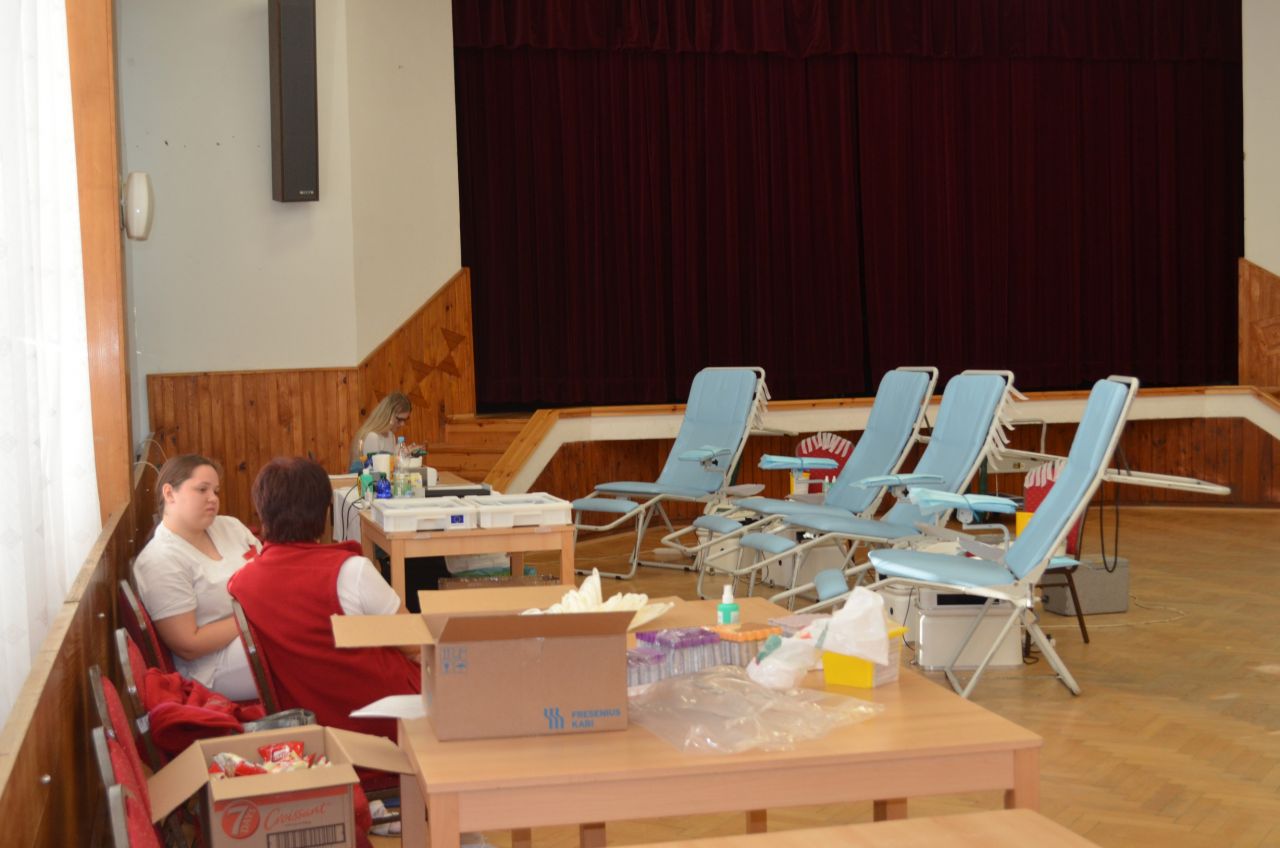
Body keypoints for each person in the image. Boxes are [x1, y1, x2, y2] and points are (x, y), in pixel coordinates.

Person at [228, 457, 420, 740]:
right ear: (324, 510)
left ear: (261, 511)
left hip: (311, 729)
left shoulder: (241, 584)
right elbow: (417, 645)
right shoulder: (352, 572)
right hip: (387, 718)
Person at [133, 455, 260, 701]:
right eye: (202, 490)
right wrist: (256, 616)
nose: (213, 498)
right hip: (211, 667)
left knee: (320, 628)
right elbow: (189, 644)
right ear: (169, 493)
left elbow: (270, 574)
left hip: (252, 634)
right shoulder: (160, 559)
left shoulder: (230, 526)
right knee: (308, 642)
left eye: (216, 491)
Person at [348, 392, 411, 471]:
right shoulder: (372, 436)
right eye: (399, 419)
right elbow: (374, 472)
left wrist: (404, 455)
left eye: (405, 420)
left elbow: (390, 469)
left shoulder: (391, 436)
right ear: (388, 414)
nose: (402, 424)